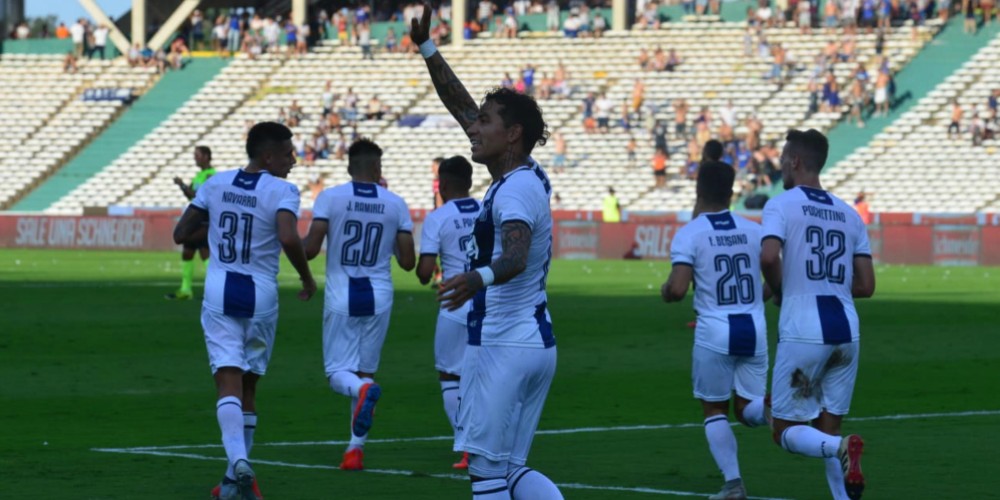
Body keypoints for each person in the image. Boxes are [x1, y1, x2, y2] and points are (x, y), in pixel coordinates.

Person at [412, 5, 564, 499]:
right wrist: (428, 49)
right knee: (512, 469)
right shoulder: (520, 174)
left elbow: (516, 255)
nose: (473, 128)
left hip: (504, 343)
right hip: (532, 340)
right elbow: (460, 105)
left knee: (484, 472)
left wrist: (476, 278)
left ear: (512, 134)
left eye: (485, 122)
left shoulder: (516, 190)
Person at [173, 122, 316, 500]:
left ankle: (237, 464)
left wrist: (218, 230)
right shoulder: (282, 190)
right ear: (268, 156)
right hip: (262, 295)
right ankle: (237, 478)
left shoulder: (216, 183)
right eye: (288, 154)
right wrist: (306, 277)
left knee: (227, 381)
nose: (294, 160)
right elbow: (287, 235)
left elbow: (180, 233)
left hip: (221, 291)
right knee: (249, 385)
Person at [760, 129, 875, 500]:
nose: (780, 165)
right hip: (847, 332)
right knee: (827, 428)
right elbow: (867, 285)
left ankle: (842, 447)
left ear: (794, 161)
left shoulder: (781, 204)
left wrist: (782, 289)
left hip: (804, 331)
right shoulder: (849, 214)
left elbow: (767, 256)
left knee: (783, 430)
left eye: (782, 159)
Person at [661, 161, 771, 500]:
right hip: (754, 328)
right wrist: (756, 299)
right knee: (746, 408)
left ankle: (734, 484)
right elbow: (773, 281)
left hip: (715, 330)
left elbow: (678, 289)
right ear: (731, 190)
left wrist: (666, 290)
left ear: (698, 190)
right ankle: (770, 409)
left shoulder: (690, 233)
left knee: (715, 409)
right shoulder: (754, 230)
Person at [303, 138, 416, 472]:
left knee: (340, 373)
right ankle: (354, 451)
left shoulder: (331, 197)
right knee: (365, 371)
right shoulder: (395, 203)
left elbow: (310, 249)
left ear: (349, 166)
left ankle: (364, 392)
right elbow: (408, 262)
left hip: (342, 294)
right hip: (379, 295)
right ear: (378, 168)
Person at [415, 156, 481, 470]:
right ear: (469, 181)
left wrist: (424, 269)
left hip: (455, 305)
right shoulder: (487, 210)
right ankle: (489, 442)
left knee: (449, 375)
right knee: (482, 376)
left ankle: (467, 445)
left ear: (441, 184)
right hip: (488, 304)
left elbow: (425, 271)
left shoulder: (439, 217)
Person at [166, 146, 217, 300]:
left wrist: (183, 186)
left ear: (207, 156)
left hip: (206, 220)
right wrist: (181, 185)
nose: (195, 158)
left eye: (198, 155)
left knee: (193, 246)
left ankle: (198, 290)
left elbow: (200, 196)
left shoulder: (211, 176)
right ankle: (187, 290)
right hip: (197, 219)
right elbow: (191, 196)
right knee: (193, 250)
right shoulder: (199, 175)